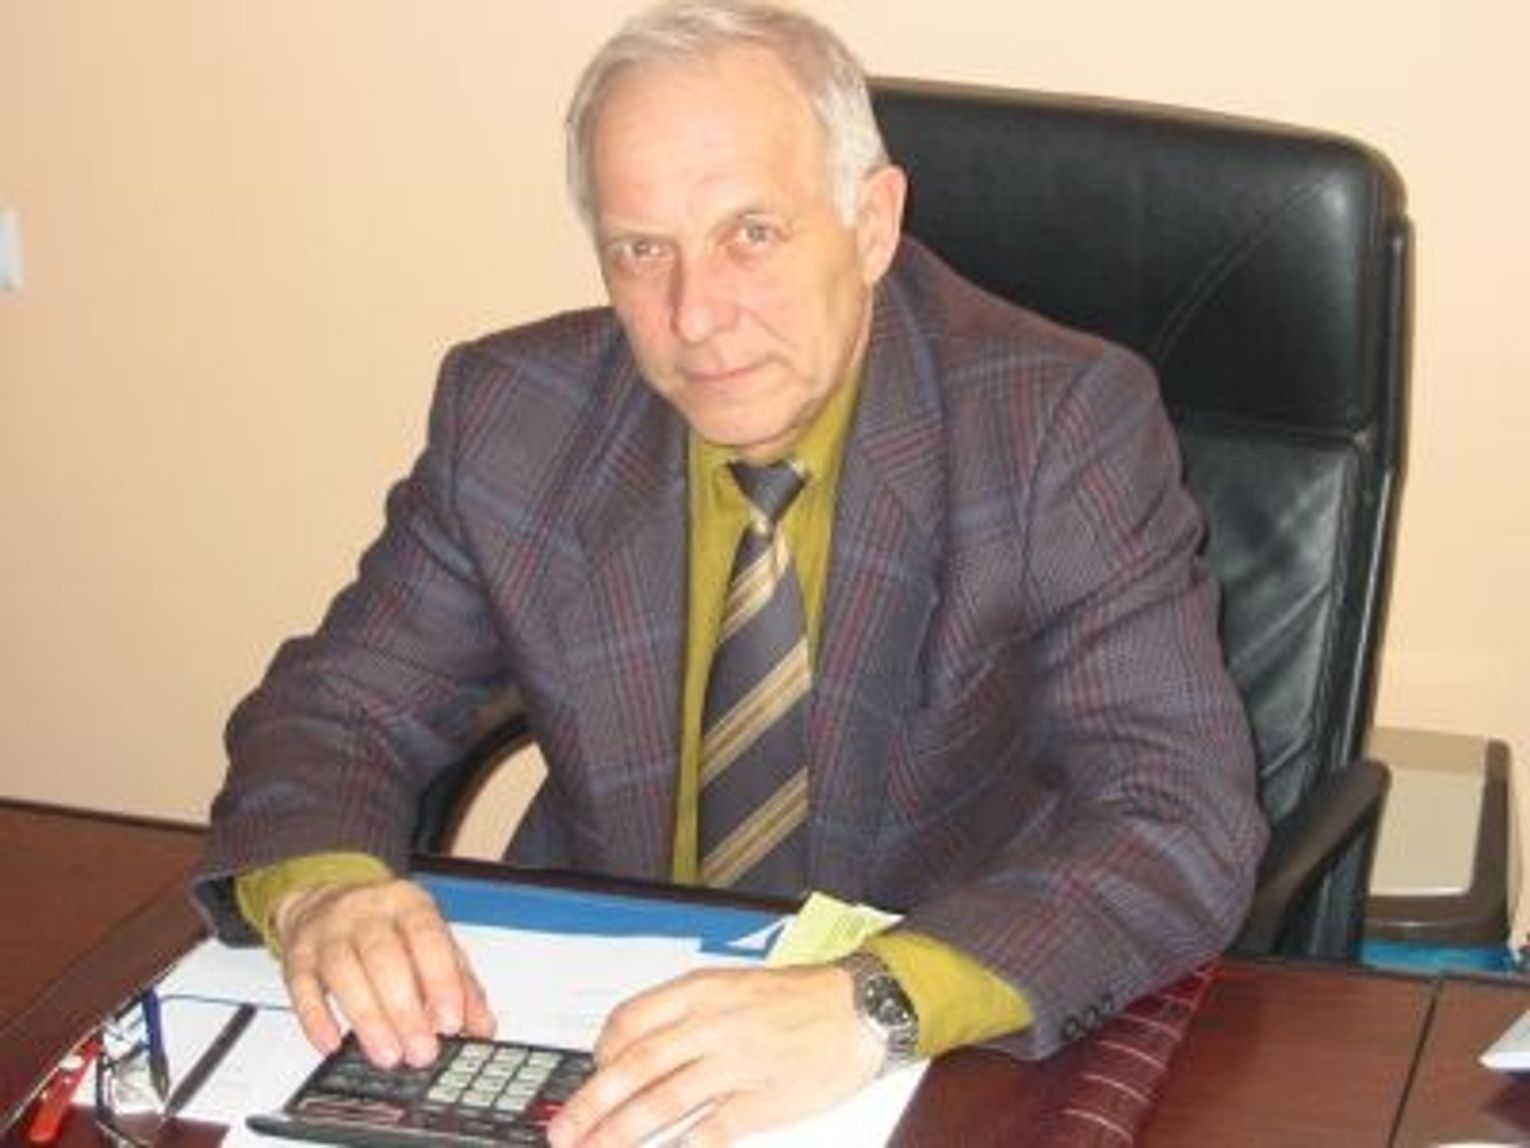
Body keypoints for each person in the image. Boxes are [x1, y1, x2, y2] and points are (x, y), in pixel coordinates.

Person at [193, 1, 1268, 1143]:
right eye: (641, 250)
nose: (695, 315)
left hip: (935, 1055)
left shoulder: (1057, 426)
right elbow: (338, 707)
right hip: (589, 1015)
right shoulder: (513, 418)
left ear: (871, 223)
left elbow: (1178, 815)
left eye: (751, 233)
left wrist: (875, 1001)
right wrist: (323, 886)